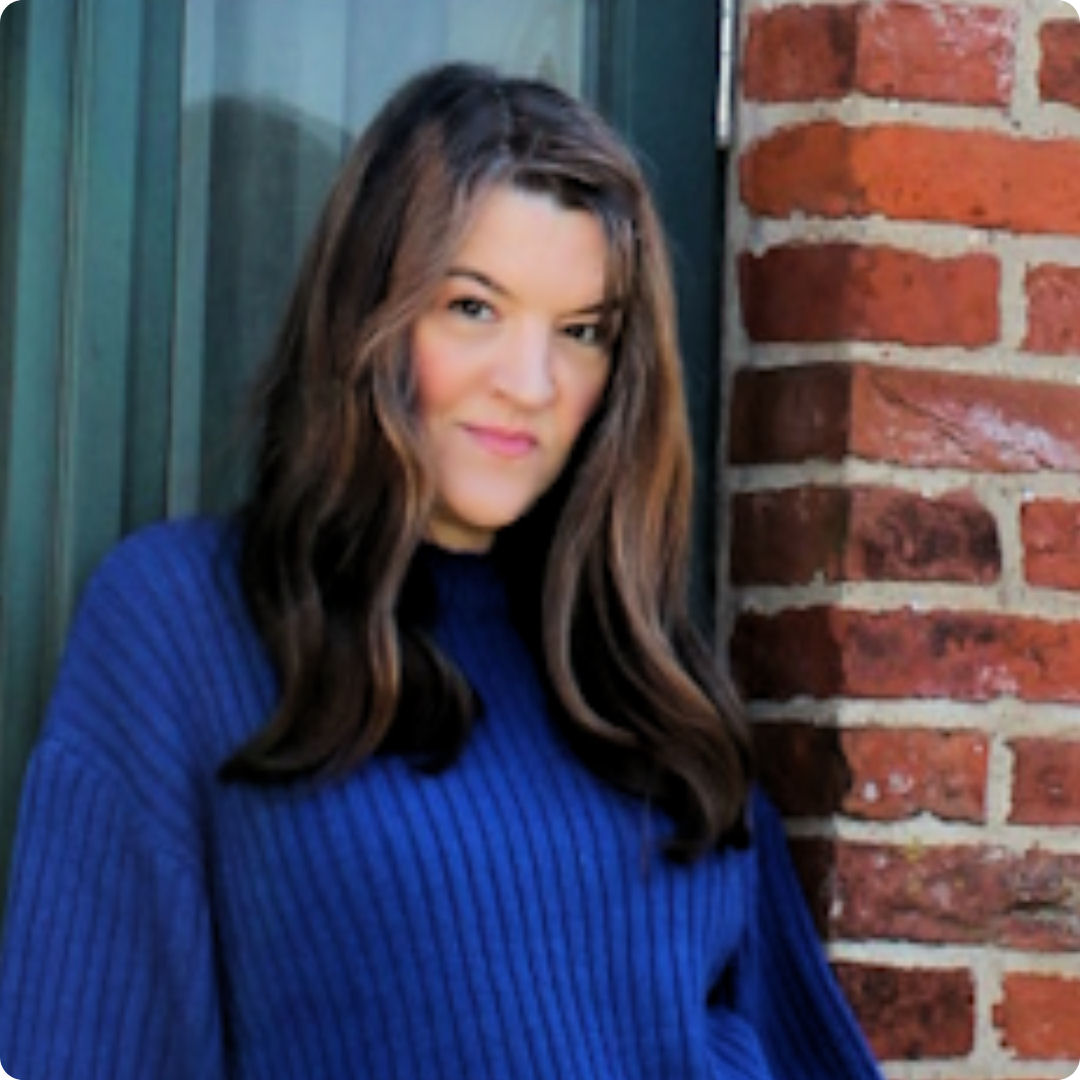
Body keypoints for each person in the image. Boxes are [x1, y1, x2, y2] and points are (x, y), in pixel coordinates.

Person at [0, 63, 882, 1079]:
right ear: (372, 311)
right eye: (473, 307)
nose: (530, 384)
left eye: (582, 332)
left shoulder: (647, 682)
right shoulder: (185, 623)